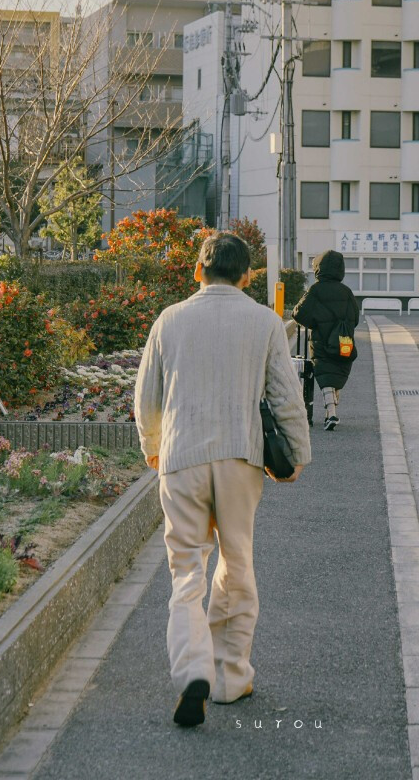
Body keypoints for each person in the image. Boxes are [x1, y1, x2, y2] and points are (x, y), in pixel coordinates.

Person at [134, 231, 311, 729]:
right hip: (240, 458)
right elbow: (285, 394)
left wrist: (152, 445)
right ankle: (230, 677)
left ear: (198, 271)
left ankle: (193, 670)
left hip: (182, 456)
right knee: (237, 560)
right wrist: (296, 454)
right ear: (248, 276)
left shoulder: (170, 319)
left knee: (187, 568)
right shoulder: (264, 321)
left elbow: (147, 396)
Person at [292, 249, 360, 431]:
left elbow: (299, 313)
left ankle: (331, 413)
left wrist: (317, 322)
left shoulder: (315, 289)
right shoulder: (346, 291)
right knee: (337, 373)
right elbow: (355, 317)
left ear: (318, 268)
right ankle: (332, 410)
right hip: (344, 341)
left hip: (321, 342)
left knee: (326, 376)